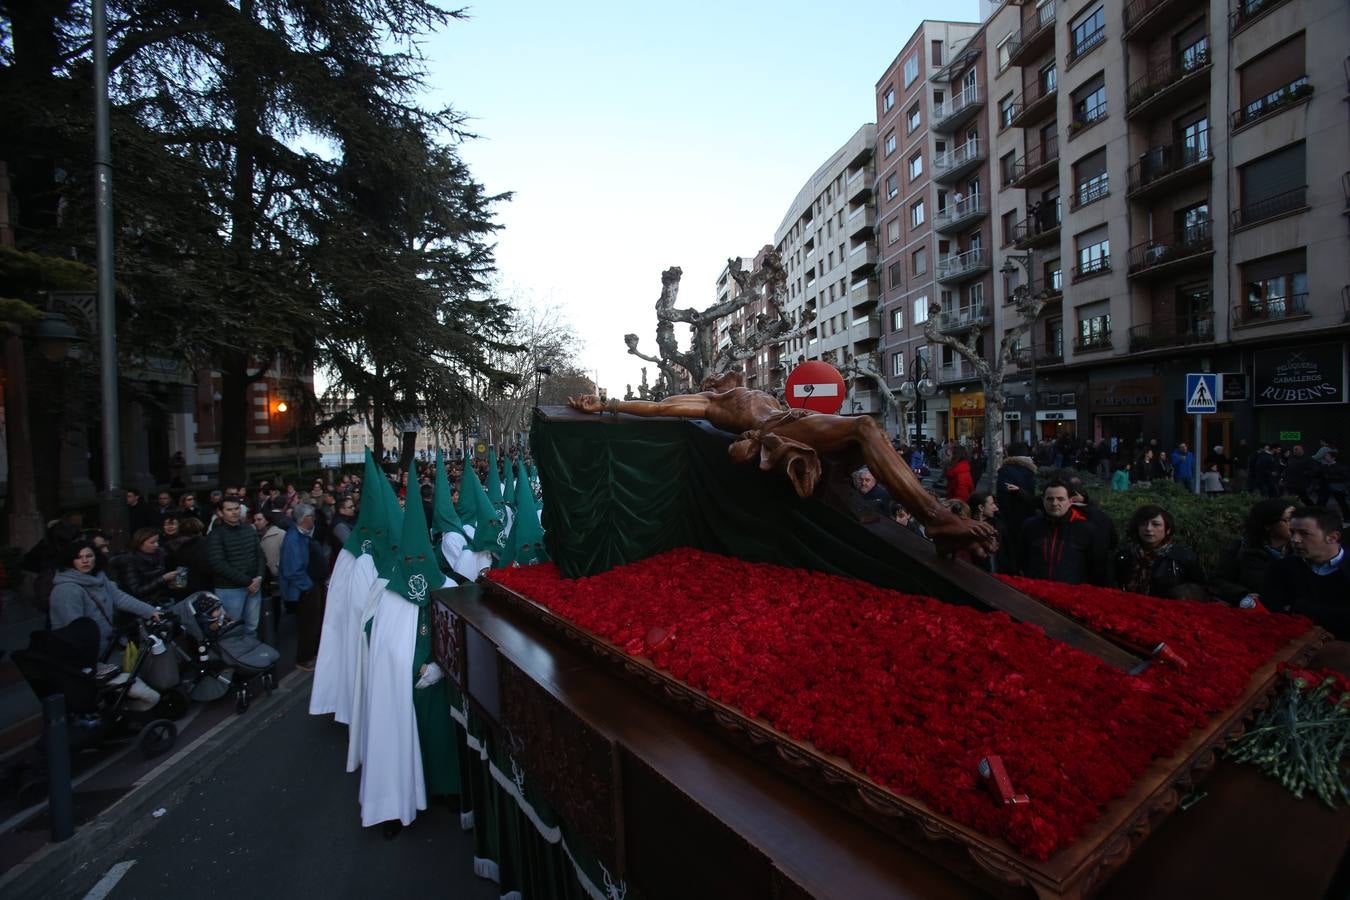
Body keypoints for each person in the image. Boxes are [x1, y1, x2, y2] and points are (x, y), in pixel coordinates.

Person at [568, 373, 996, 556]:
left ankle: (934, 519)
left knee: (867, 432)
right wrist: (609, 404)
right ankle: (935, 519)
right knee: (865, 426)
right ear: (708, 386)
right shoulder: (710, 402)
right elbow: (659, 409)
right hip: (787, 429)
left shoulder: (755, 391)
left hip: (797, 420)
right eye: (715, 376)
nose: (722, 375)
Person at [49, 540, 160, 661]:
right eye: (79, 557)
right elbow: (74, 628)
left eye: (89, 556)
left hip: (108, 646)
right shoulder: (67, 589)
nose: (85, 561)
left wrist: (151, 612)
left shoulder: (99, 578)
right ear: (70, 560)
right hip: (86, 654)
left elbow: (120, 598)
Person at [1262, 507, 1349, 638]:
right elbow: (1273, 609)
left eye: (1304, 533)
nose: (1295, 539)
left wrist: (1300, 608)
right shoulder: (1281, 568)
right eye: (1292, 532)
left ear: (1332, 537)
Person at [1015, 480, 1108, 585]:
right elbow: (1020, 559)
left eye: (1060, 499)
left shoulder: (1086, 529)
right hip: (1034, 591)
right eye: (1050, 499)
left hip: (1072, 595)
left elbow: (1098, 567)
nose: (1055, 503)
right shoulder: (1030, 526)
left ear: (1070, 501)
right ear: (1043, 500)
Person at [1113, 505, 1207, 599]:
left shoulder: (1182, 558)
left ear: (1168, 530)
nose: (1149, 529)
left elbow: (1199, 591)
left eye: (1156, 524)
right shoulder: (1125, 556)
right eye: (1144, 524)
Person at [206, 497, 265, 636]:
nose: (234, 512)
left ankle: (250, 656)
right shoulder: (215, 535)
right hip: (230, 589)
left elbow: (260, 556)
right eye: (229, 509)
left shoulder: (249, 529)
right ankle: (235, 658)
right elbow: (218, 564)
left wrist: (259, 577)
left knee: (251, 627)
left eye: (237, 508)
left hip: (254, 586)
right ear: (220, 513)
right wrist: (248, 582)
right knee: (231, 630)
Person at [279, 503, 327, 671]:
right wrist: (308, 587)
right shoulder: (293, 539)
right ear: (305, 519)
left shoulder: (304, 535)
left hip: (313, 585)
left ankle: (312, 654)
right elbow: (292, 570)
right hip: (305, 589)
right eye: (312, 516)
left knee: (316, 621)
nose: (314, 519)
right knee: (308, 624)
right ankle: (304, 658)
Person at [1217, 498, 1295, 598]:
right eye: (1289, 520)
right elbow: (1219, 581)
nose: (1295, 524)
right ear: (1268, 524)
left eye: (1297, 518)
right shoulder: (1241, 549)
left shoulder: (1303, 551)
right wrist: (1243, 595)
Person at [108, 527, 179, 606]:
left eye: (157, 541)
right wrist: (163, 579)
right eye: (152, 542)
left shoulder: (161, 555)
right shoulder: (130, 561)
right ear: (140, 543)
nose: (156, 545)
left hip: (162, 599)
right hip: (144, 604)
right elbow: (136, 590)